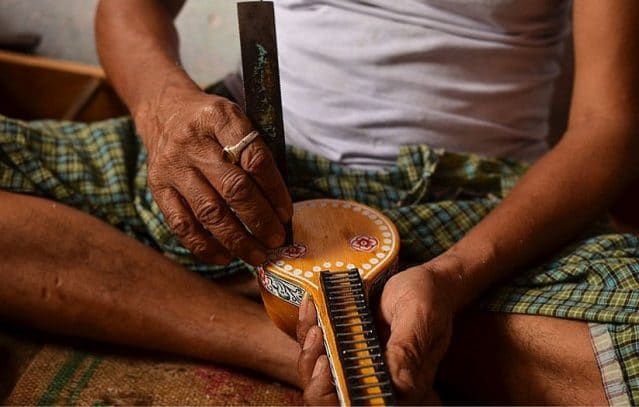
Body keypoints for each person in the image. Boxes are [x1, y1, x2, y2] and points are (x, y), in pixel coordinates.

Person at [0, 0, 637, 404]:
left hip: (472, 207)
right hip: (258, 179)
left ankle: (364, 324)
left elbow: (608, 127)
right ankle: (295, 342)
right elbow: (128, 11)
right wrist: (164, 108)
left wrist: (452, 278)